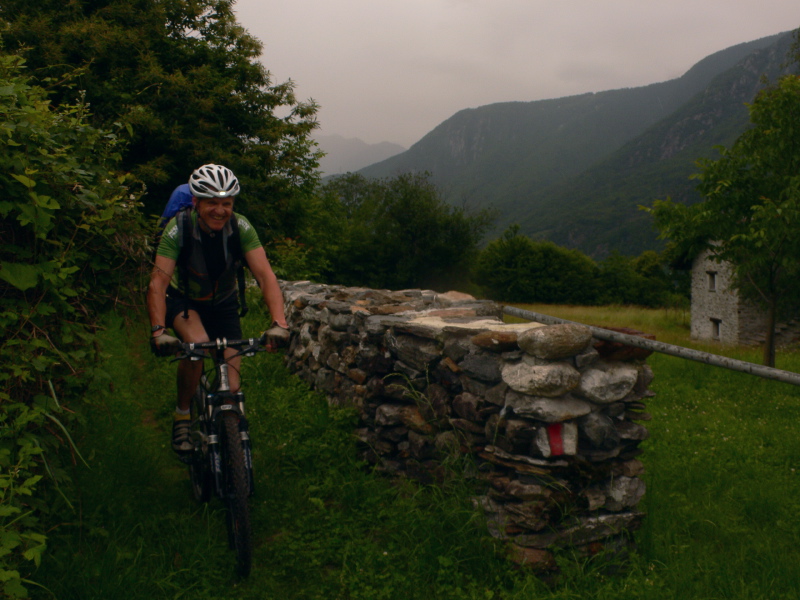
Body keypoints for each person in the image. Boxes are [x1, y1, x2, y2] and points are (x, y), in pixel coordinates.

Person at [147, 164, 290, 456]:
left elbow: (266, 276)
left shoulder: (241, 227)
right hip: (184, 302)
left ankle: (226, 435)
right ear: (196, 202)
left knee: (232, 386)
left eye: (227, 203)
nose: (220, 210)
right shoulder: (178, 228)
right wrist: (159, 330)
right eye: (211, 202)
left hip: (223, 304)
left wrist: (279, 323)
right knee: (197, 345)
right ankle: (183, 415)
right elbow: (158, 283)